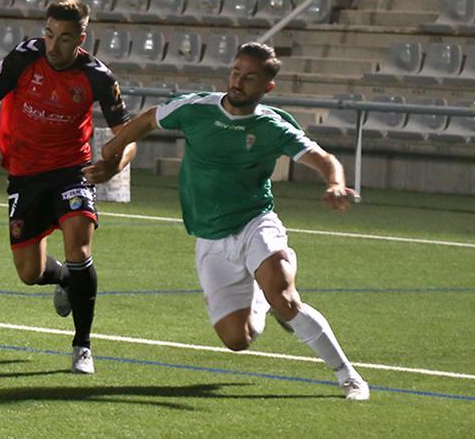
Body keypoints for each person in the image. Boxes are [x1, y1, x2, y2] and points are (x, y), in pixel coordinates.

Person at [96, 42, 370, 401]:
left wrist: (335, 183)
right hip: (210, 236)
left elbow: (323, 159)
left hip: (255, 221)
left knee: (287, 300)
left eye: (249, 77)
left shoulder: (271, 127)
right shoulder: (197, 110)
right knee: (236, 340)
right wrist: (110, 152)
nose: (238, 82)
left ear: (266, 87)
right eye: (235, 73)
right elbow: (149, 119)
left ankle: (348, 376)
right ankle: (264, 298)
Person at [0, 0, 138, 374]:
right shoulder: (23, 58)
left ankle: (82, 346)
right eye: (49, 34)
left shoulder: (98, 77)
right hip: (25, 174)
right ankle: (63, 279)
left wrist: (114, 164)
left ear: (81, 38)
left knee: (79, 244)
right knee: (28, 273)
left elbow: (130, 135)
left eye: (64, 39)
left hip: (72, 171)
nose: (53, 46)